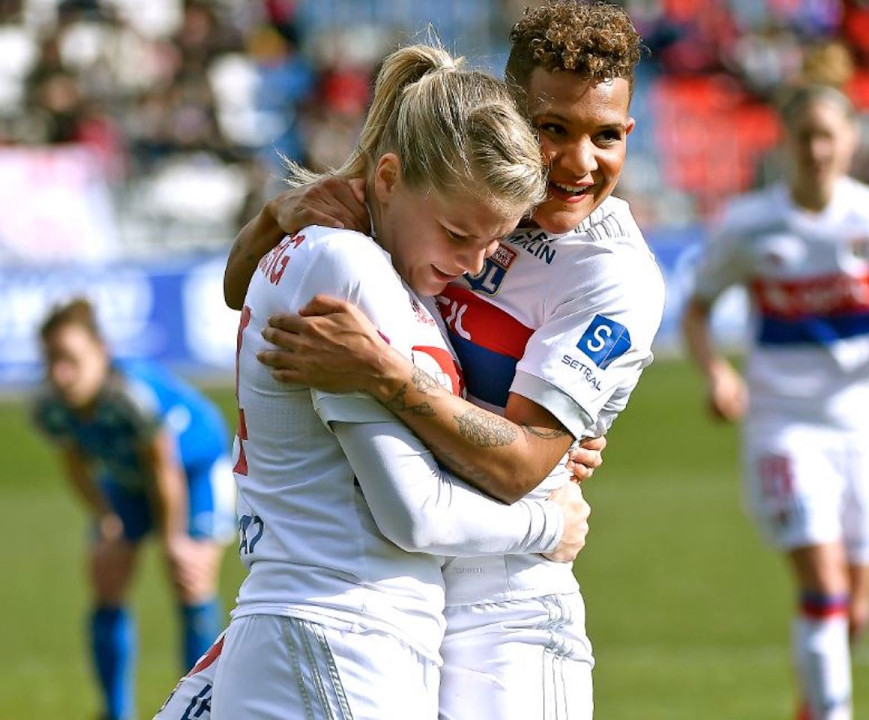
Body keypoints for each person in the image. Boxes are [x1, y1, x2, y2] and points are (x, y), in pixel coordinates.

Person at [218, 4, 663, 718]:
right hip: (399, 592)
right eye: (553, 130)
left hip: (507, 602)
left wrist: (385, 375)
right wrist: (279, 216)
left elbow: (523, 464)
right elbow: (242, 285)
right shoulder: (462, 183)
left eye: (606, 136)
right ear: (512, 115)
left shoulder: (610, 275)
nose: (579, 164)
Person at [681, 84, 869, 720]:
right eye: (805, 135)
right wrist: (717, 375)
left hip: (866, 425)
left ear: (850, 142)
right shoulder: (749, 224)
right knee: (824, 589)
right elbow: (698, 310)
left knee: (855, 611)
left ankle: (810, 708)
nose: (817, 149)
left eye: (829, 135)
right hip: (784, 426)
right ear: (785, 142)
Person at [32, 298, 235, 720]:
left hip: (193, 470)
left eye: (71, 359)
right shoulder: (53, 406)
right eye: (51, 360)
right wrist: (104, 516)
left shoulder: (130, 396)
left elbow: (166, 471)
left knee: (189, 575)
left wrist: (174, 539)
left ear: (100, 351)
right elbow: (76, 463)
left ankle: (197, 710)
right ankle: (113, 711)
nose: (60, 374)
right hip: (129, 480)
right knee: (106, 573)